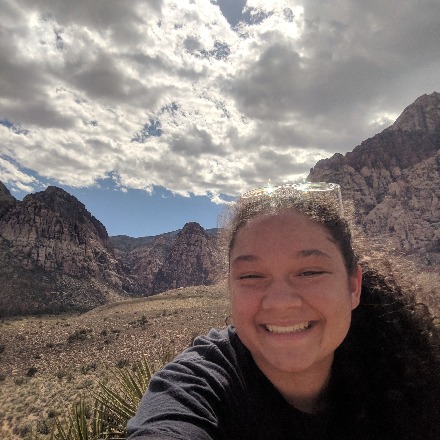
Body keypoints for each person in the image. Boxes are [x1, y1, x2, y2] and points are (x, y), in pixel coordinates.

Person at [127, 182, 440, 440]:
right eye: (252, 276)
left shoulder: (408, 369)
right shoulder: (196, 387)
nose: (280, 301)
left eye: (310, 272)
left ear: (353, 287)